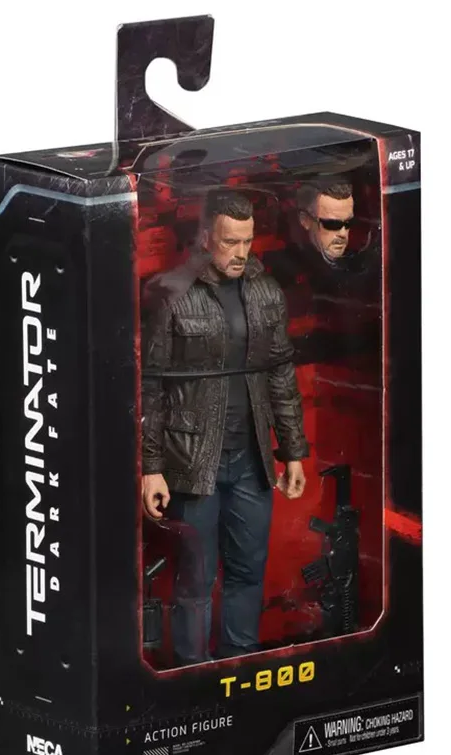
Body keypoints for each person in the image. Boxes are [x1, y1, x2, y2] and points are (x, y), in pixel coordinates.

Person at [140, 189, 308, 664]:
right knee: (195, 579)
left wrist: (293, 451)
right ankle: (192, 674)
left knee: (249, 571)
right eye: (230, 241)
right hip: (195, 461)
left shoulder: (265, 291)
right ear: (206, 236)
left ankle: (240, 666)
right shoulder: (173, 293)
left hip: (253, 458)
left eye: (247, 241)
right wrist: (151, 468)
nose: (240, 252)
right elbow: (150, 387)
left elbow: (281, 373)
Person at [266, 177, 381, 366]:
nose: (342, 233)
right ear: (305, 220)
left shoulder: (366, 263)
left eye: (348, 223)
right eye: (332, 224)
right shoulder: (280, 275)